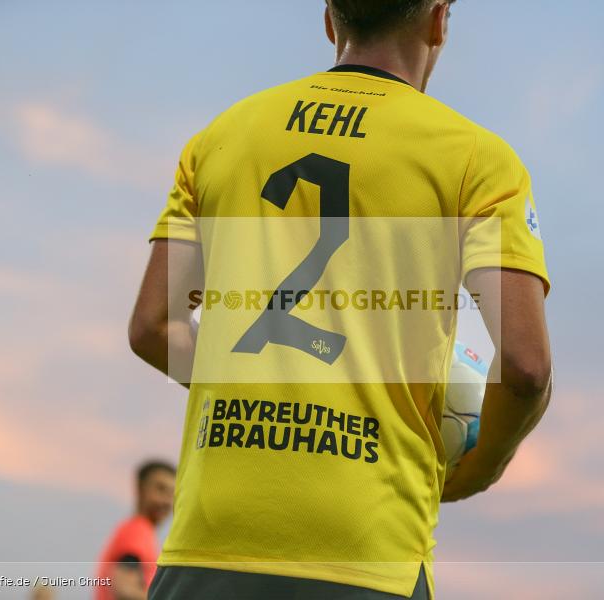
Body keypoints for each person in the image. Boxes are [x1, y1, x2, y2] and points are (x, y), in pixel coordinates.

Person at [128, 1, 553, 598]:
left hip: (208, 541)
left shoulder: (222, 136)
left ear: (331, 19)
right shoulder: (479, 161)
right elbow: (527, 367)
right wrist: (476, 471)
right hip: (367, 555)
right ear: (437, 20)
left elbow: (152, 326)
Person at [94, 461, 175, 600]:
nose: (167, 501)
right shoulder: (137, 530)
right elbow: (125, 588)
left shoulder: (137, 530)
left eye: (172, 493)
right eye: (160, 489)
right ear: (140, 489)